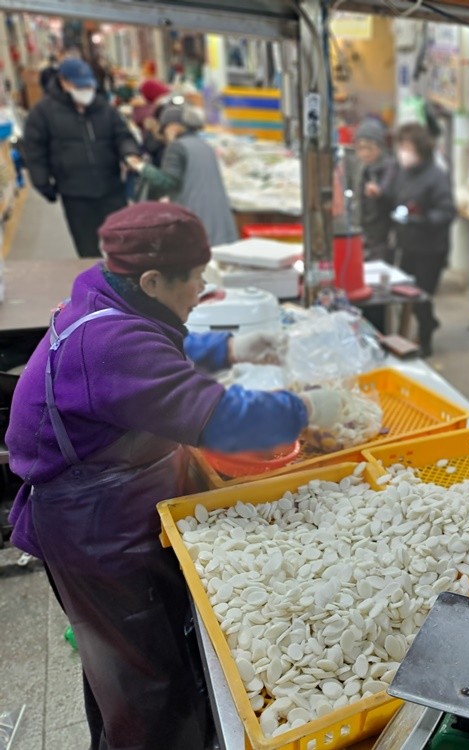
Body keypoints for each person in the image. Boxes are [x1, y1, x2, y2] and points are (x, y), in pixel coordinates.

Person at [5, 203, 348, 750]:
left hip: (108, 505)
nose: (202, 289)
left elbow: (154, 348)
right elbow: (220, 419)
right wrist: (306, 409)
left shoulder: (106, 296)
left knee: (119, 667)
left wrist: (227, 348)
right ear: (151, 280)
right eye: (195, 278)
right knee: (146, 683)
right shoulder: (110, 345)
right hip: (91, 528)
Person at [23, 58, 139, 258]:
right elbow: (34, 150)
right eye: (80, 86)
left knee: (123, 244)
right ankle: (95, 278)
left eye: (88, 85)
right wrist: (42, 182)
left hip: (111, 187)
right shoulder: (43, 113)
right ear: (64, 82)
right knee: (88, 248)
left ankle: (123, 277)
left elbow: (123, 135)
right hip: (75, 193)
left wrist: (130, 153)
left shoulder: (104, 108)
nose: (86, 90)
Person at [387, 123, 455, 357]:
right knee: (406, 292)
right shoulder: (402, 173)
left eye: (408, 148)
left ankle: (425, 339)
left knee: (422, 294)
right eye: (401, 147)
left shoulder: (437, 176)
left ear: (421, 149)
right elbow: (394, 196)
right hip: (407, 244)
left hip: (431, 247)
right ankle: (428, 323)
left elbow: (447, 212)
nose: (403, 153)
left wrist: (421, 218)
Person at [129, 103, 238, 246]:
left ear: (173, 127)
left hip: (195, 220)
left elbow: (168, 181)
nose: (165, 136)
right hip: (220, 223)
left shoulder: (177, 147)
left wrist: (141, 167)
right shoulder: (206, 146)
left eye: (165, 130)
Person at [354, 118, 396, 263]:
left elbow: (387, 190)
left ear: (379, 147)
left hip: (384, 234)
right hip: (365, 232)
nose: (364, 153)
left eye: (369, 148)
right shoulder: (363, 169)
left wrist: (378, 192)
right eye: (360, 148)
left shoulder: (390, 167)